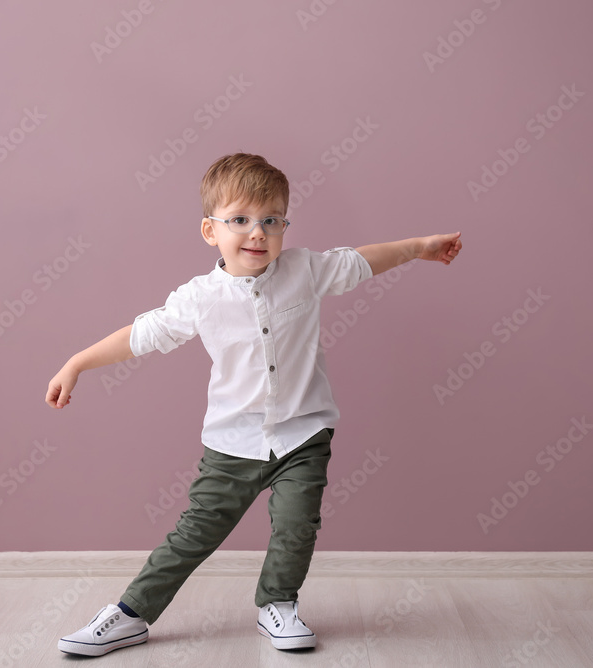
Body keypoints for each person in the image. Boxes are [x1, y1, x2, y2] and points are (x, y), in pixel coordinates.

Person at [45, 153, 462, 656]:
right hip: (232, 441)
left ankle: (277, 606)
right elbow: (142, 334)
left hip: (304, 434)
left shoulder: (306, 269)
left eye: (271, 220)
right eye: (240, 220)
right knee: (193, 534)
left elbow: (364, 260)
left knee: (296, 525)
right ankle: (130, 614)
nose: (257, 232)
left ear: (285, 225)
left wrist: (420, 248)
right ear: (209, 230)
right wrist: (77, 363)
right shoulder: (199, 297)